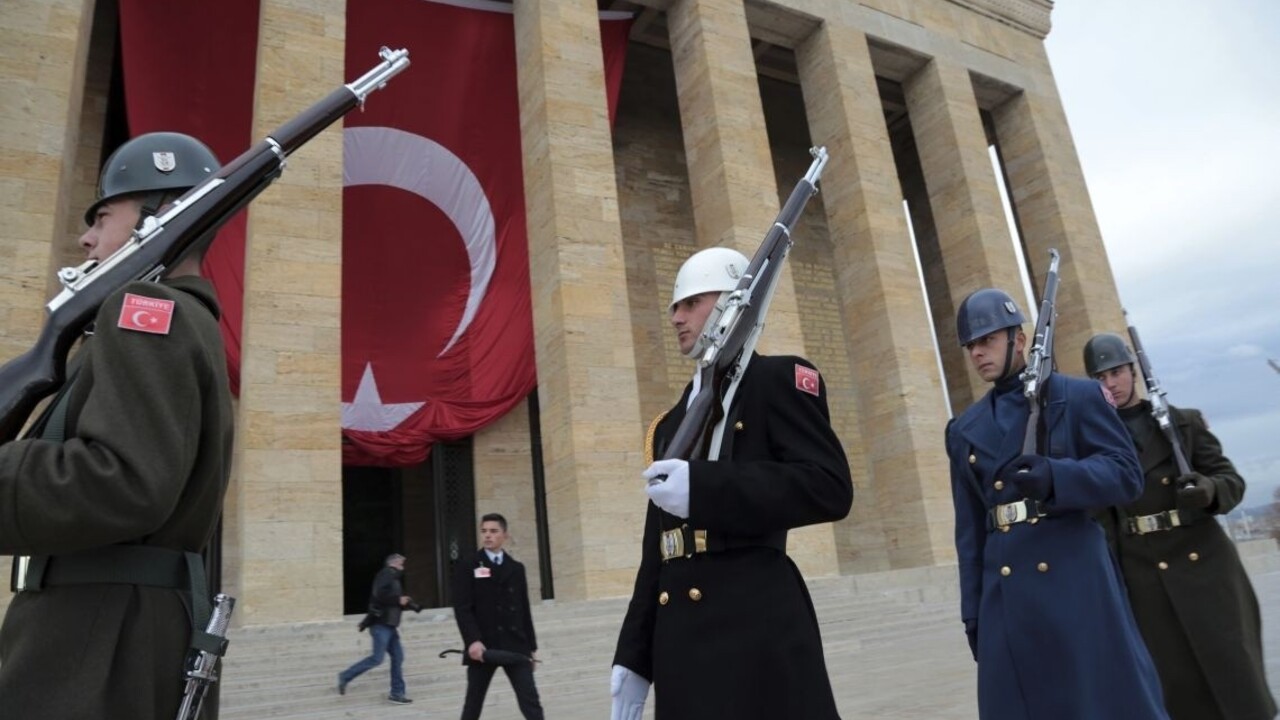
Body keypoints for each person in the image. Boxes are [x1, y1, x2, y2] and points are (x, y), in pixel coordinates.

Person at [0, 132, 235, 719]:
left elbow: (123, 480)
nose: (86, 237)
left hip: (95, 647)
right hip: (113, 632)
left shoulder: (147, 311)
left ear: (157, 217)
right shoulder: (182, 317)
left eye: (103, 216)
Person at [611, 246, 853, 720]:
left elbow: (828, 485)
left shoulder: (778, 379)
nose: (676, 317)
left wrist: (706, 488)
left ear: (731, 302)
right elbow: (657, 551)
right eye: (674, 307)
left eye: (690, 303)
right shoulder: (670, 423)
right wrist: (634, 656)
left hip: (757, 631)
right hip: (681, 640)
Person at [945, 288, 1169, 720]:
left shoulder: (1077, 396)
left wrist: (1059, 476)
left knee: (1099, 702)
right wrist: (972, 610)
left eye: (987, 340)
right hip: (1005, 592)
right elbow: (970, 530)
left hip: (1074, 580)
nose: (977, 354)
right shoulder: (963, 429)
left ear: (1020, 339)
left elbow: (1125, 474)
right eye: (971, 346)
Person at [1084, 332, 1277, 720]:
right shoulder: (1097, 443)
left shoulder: (1182, 423)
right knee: (1175, 685)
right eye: (1100, 378)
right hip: (1144, 575)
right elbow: (1102, 523)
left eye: (1117, 372)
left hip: (1204, 565)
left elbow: (1231, 480)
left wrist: (1208, 490)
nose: (1111, 384)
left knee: (1232, 672)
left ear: (1133, 371)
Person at [452, 513, 543, 720]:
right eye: (484, 531)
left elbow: (523, 609)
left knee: (531, 703)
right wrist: (472, 641)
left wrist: (531, 648)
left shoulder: (516, 569)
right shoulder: (469, 565)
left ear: (505, 535)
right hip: (483, 646)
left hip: (516, 646)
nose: (488, 536)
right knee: (473, 704)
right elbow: (462, 608)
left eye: (493, 531)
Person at [338, 553, 414, 704]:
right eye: (401, 563)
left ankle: (397, 693)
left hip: (390, 626)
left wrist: (405, 602)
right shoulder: (386, 574)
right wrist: (398, 599)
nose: (403, 566)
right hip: (381, 626)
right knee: (377, 659)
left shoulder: (393, 578)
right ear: (393, 563)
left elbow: (382, 600)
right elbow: (378, 595)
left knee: (398, 657)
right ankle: (345, 676)